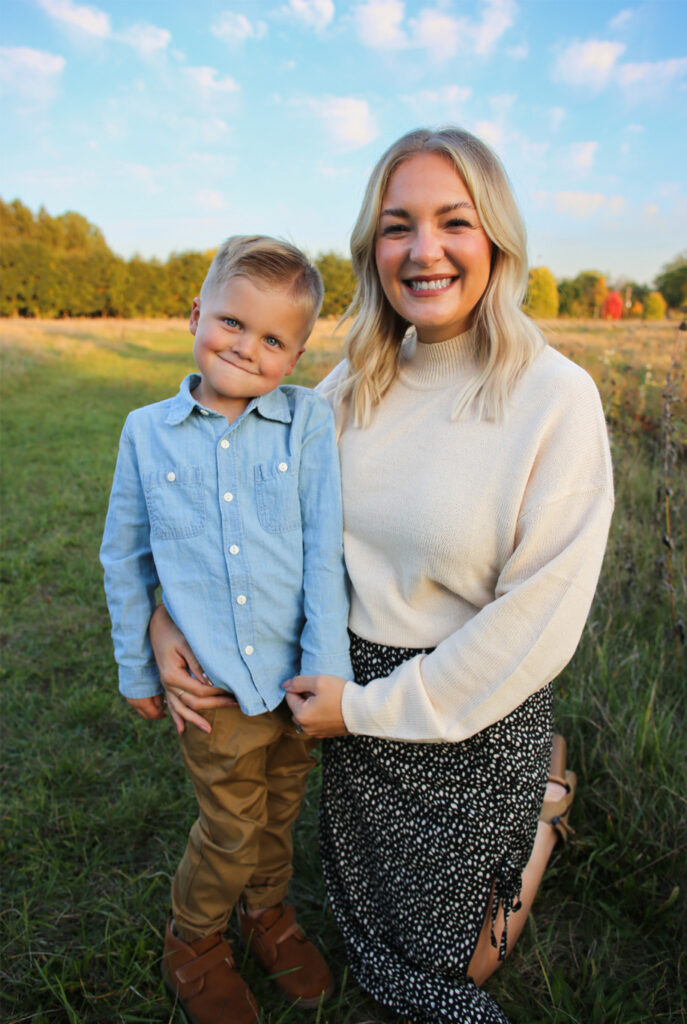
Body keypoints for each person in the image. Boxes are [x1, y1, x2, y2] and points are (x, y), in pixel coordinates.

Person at [149, 128, 614, 1024]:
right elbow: (234, 512)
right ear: (373, 249)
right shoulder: (347, 385)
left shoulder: (554, 396)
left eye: (454, 222)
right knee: (365, 940)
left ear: (496, 242)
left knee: (445, 972)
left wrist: (361, 708)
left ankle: (540, 807)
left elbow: (537, 618)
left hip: (468, 711)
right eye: (398, 226)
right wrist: (165, 617)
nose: (424, 249)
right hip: (346, 711)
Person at [100, 236, 352, 1024]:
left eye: (273, 339)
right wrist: (139, 670)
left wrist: (327, 673)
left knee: (278, 809)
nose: (247, 347)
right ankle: (195, 935)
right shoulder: (147, 431)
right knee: (231, 822)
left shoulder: (305, 422)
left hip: (291, 682)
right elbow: (125, 557)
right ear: (194, 315)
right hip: (209, 686)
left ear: (298, 353)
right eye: (232, 323)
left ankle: (265, 913)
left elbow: (321, 551)